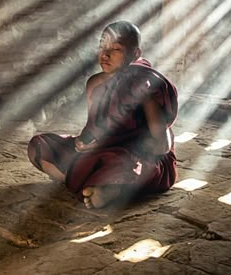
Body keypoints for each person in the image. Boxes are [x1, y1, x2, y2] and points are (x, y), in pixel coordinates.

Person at [27, 21, 178, 209]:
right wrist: (83, 143)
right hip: (103, 153)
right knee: (39, 146)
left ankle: (103, 187)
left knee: (125, 165)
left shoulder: (143, 85)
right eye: (102, 47)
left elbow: (162, 146)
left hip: (139, 156)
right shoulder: (95, 84)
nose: (105, 55)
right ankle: (97, 185)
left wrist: (109, 144)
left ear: (135, 54)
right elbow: (93, 129)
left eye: (115, 49)